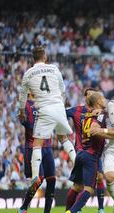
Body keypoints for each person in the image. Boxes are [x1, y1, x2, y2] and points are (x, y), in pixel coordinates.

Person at [18, 46, 76, 186]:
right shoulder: (54, 69)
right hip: (58, 106)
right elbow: (63, 90)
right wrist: (60, 105)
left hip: (45, 108)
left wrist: (21, 111)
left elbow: (22, 96)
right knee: (63, 138)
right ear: (45, 57)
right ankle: (77, 163)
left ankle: (35, 175)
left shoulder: (29, 73)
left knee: (37, 143)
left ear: (34, 58)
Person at [62, 92, 111, 213]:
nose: (104, 100)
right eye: (102, 98)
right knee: (89, 189)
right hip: (91, 156)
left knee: (76, 186)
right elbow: (95, 129)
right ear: (97, 102)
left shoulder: (86, 115)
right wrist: (112, 134)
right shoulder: (100, 114)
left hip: (81, 153)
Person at [17, 95, 57, 213]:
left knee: (52, 179)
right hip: (33, 146)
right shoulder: (27, 104)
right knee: (37, 180)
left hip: (48, 146)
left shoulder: (47, 101)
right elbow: (23, 120)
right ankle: (23, 208)